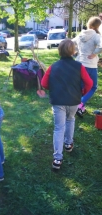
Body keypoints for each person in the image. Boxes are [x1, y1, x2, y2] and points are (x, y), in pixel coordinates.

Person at [41, 39, 93, 169]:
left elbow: (44, 84)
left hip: (58, 101)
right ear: (73, 51)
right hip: (74, 100)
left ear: (59, 50)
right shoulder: (79, 66)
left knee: (59, 128)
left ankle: (57, 159)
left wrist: (52, 88)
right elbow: (89, 83)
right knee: (70, 120)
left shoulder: (53, 66)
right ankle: (68, 144)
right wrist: (82, 93)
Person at [72, 16, 102, 118]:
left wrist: (75, 52)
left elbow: (71, 43)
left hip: (79, 63)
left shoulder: (81, 34)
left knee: (81, 86)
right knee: (93, 87)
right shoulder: (96, 36)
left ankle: (80, 107)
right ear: (98, 25)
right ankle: (80, 104)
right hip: (90, 65)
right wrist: (94, 53)